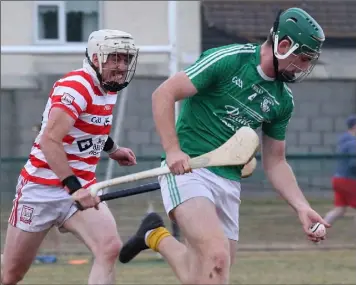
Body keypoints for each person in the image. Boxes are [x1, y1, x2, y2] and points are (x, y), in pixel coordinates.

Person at [119, 8, 331, 284]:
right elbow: (164, 94)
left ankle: (154, 234)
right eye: (302, 59)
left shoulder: (283, 100)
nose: (303, 68)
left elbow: (276, 161)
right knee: (216, 257)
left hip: (228, 182)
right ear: (283, 46)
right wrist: (172, 150)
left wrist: (302, 207)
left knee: (206, 274)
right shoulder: (229, 60)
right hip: (188, 171)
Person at [1, 29, 139, 285]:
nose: (121, 67)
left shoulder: (108, 88)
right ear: (97, 58)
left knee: (109, 248)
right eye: (115, 58)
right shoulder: (75, 87)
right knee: (10, 275)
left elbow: (90, 126)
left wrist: (113, 149)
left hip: (81, 186)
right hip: (41, 189)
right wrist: (73, 187)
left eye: (126, 59)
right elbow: (49, 140)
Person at [324, 115, 356, 225]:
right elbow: (354, 164)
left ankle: (317, 232)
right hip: (349, 179)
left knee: (339, 210)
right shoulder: (353, 143)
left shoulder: (343, 140)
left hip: (338, 179)